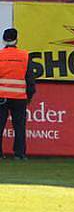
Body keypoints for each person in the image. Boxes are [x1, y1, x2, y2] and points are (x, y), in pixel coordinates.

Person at [0, 28, 35, 160]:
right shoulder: (25, 56)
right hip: (19, 97)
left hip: (1, 96)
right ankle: (19, 154)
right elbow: (30, 79)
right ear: (17, 39)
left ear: (4, 40)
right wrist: (29, 96)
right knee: (19, 127)